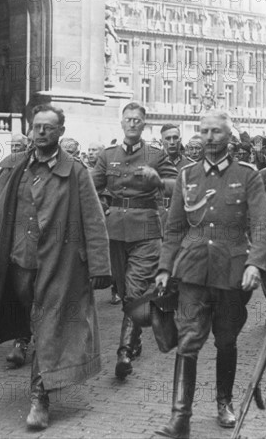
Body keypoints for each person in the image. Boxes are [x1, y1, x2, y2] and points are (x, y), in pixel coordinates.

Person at [0, 104, 111, 430]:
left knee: (49, 326)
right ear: (31, 130)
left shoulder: (75, 171)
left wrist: (100, 265)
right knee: (32, 322)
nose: (42, 132)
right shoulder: (14, 168)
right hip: (18, 262)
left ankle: (39, 398)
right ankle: (37, 367)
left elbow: (94, 219)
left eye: (49, 127)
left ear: (60, 131)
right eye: (37, 126)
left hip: (59, 265)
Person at [154, 110, 266, 438]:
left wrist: (255, 264)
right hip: (192, 271)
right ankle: (180, 417)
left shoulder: (247, 175)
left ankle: (224, 402)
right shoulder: (187, 175)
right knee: (188, 341)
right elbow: (175, 226)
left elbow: (263, 224)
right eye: (204, 131)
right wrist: (165, 267)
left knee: (226, 339)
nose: (209, 138)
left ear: (229, 136)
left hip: (232, 272)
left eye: (216, 132)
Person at [92, 102, 177, 381]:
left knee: (134, 291)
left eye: (137, 120)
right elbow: (91, 186)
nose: (132, 124)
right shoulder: (107, 155)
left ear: (144, 124)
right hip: (115, 231)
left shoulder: (156, 154)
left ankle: (124, 352)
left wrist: (157, 181)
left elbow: (178, 186)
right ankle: (136, 337)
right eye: (128, 119)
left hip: (146, 231)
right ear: (121, 122)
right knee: (122, 286)